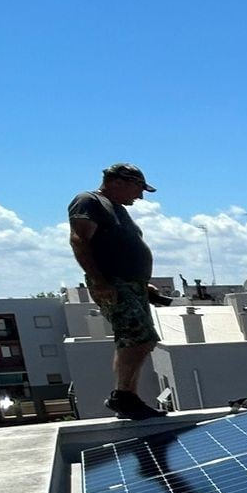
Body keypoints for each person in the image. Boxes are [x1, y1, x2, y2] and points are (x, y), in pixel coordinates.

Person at [69, 162, 170, 420]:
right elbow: (79, 240)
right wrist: (100, 281)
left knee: (141, 339)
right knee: (135, 337)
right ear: (119, 181)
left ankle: (127, 397)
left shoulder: (117, 210)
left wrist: (140, 284)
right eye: (138, 189)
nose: (140, 196)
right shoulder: (89, 200)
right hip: (113, 283)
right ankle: (124, 397)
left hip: (129, 284)